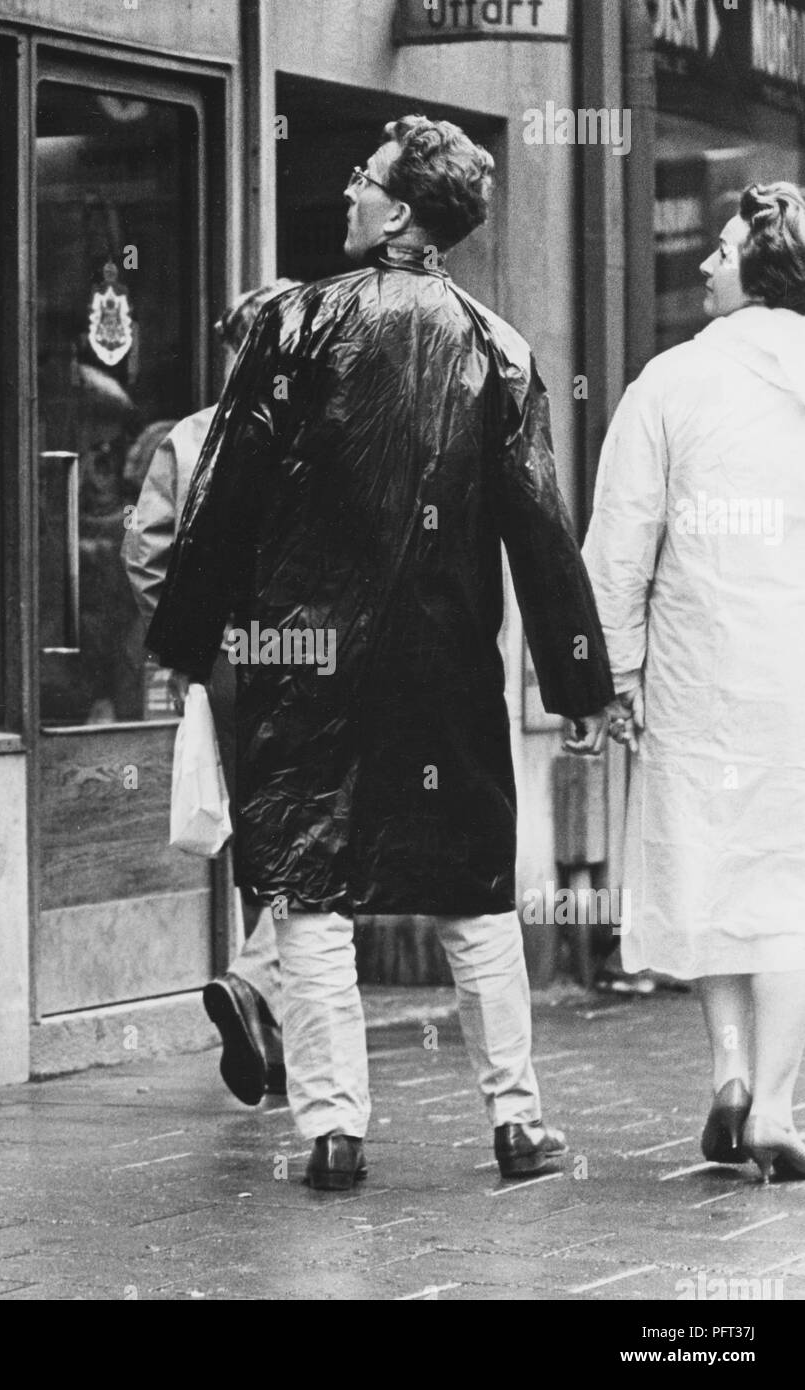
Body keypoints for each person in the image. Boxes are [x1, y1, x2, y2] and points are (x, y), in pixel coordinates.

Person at [146, 115, 615, 1190]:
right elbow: (541, 531)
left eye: (363, 178)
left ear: (399, 210)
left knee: (309, 891)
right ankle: (515, 1123)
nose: (349, 189)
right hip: (445, 662)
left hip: (301, 657)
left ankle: (333, 1129)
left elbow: (222, 502)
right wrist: (576, 674)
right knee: (476, 891)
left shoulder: (299, 326)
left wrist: (186, 643)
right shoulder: (501, 349)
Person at [583, 181, 805, 1183]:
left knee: (717, 865)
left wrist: (616, 673)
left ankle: (727, 1072)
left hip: (694, 670)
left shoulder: (665, 382)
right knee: (791, 885)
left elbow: (619, 549)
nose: (706, 264)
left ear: (758, 265)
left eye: (720, 250)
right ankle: (777, 1101)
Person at [122, 280, 299, 1103]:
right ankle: (261, 983)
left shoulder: (189, 439)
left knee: (255, 844)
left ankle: (268, 1026)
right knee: (323, 835)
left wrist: (197, 644)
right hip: (314, 659)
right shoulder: (318, 436)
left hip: (230, 662)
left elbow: (146, 553)